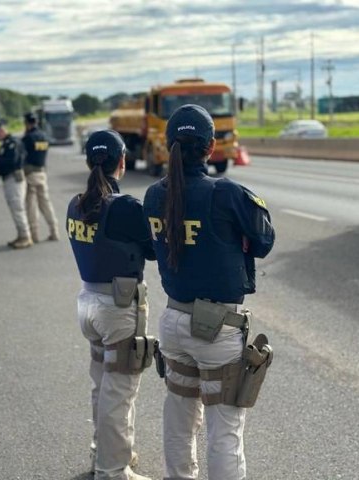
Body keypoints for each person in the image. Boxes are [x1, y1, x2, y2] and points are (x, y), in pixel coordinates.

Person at [143, 105, 275, 480]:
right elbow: (264, 241)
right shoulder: (227, 193)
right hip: (217, 328)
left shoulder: (153, 195)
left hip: (172, 321)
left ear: (169, 146)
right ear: (211, 146)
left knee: (179, 416)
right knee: (225, 429)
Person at [66, 130, 156, 480]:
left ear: (89, 162)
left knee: (101, 385)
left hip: (88, 302)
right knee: (119, 393)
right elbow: (151, 249)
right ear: (122, 161)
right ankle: (113, 469)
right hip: (117, 308)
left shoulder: (76, 203)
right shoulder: (125, 207)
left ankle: (102, 456)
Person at [0, 119, 33, 249]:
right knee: (15, 208)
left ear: (1, 130)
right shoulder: (7, 143)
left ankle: (25, 236)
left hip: (14, 178)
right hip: (9, 178)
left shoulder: (12, 143)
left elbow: (10, 162)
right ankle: (21, 235)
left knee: (17, 207)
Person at [22, 112, 60, 242]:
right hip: (42, 173)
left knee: (31, 205)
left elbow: (22, 155)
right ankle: (54, 231)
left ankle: (34, 235)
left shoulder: (28, 138)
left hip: (30, 174)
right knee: (46, 204)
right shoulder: (44, 136)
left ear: (27, 123)